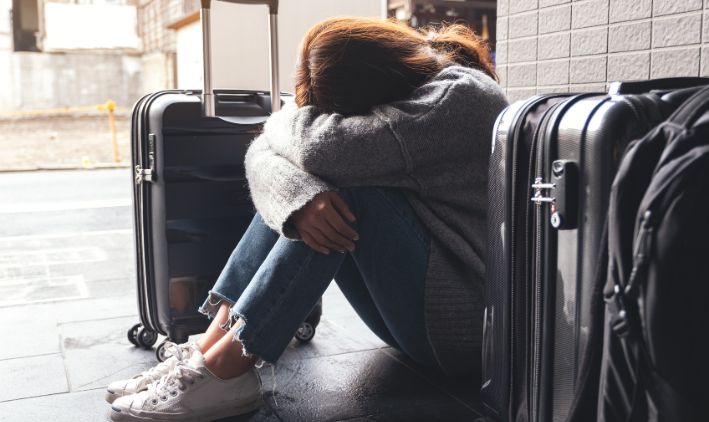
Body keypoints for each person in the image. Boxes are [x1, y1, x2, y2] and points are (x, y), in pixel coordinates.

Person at [106, 17, 508, 421]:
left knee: (340, 192)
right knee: (299, 196)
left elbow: (319, 150)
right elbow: (264, 156)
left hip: (463, 331)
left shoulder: (458, 98)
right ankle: (206, 355)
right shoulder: (411, 86)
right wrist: (296, 197)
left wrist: (279, 123)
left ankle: (229, 369)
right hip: (419, 316)